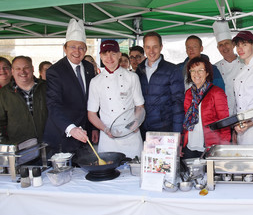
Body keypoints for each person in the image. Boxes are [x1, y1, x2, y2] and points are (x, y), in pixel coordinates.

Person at [43, 19, 98, 154]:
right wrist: (71, 128)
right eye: (72, 47)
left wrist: (94, 127)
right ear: (65, 48)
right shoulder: (55, 71)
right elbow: (53, 105)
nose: (77, 51)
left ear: (85, 49)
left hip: (85, 135)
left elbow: (91, 100)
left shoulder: (89, 67)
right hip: (62, 136)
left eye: (81, 47)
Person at [88, 40, 145, 158]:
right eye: (105, 54)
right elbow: (91, 114)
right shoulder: (95, 82)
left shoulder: (132, 77)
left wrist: (136, 123)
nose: (109, 58)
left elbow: (140, 106)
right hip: (108, 140)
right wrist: (105, 129)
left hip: (131, 138)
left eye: (113, 54)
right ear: (100, 56)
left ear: (119, 55)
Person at [136, 32, 184, 141]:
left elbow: (178, 103)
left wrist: (177, 135)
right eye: (148, 47)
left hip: (164, 129)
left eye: (155, 47)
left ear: (161, 47)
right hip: (142, 129)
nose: (151, 51)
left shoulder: (172, 70)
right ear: (144, 48)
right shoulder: (139, 70)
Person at [182, 56, 231, 159]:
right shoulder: (188, 93)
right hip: (190, 144)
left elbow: (225, 121)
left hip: (210, 146)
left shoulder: (217, 92)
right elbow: (186, 121)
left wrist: (225, 146)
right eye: (193, 71)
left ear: (207, 73)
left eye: (201, 70)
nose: (196, 74)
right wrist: (181, 144)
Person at [0, 56, 47, 145]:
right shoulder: (3, 94)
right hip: (20, 150)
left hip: (49, 146)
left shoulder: (47, 88)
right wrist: (7, 145)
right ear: (12, 71)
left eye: (26, 67)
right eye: (18, 68)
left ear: (32, 69)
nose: (22, 71)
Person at [213, 20, 240, 115]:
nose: (224, 47)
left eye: (226, 43)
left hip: (242, 115)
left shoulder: (245, 64)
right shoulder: (214, 68)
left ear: (233, 44)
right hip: (222, 114)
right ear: (217, 48)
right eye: (220, 45)